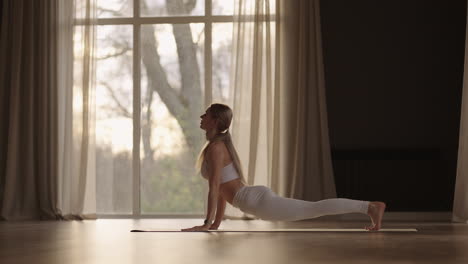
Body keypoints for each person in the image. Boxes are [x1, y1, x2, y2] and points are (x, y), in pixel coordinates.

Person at [181, 103, 386, 232]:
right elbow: (221, 193)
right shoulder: (215, 147)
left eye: (205, 114)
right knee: (313, 208)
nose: (201, 117)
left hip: (258, 202)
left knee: (314, 208)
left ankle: (369, 207)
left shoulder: (216, 148)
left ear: (215, 120)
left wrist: (206, 223)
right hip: (255, 199)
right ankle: (369, 207)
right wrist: (214, 224)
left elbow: (215, 188)